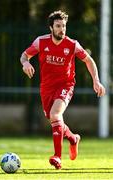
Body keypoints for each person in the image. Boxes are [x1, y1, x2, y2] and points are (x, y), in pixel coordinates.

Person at [20, 10, 106, 169]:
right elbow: (24, 55)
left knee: (55, 114)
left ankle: (57, 156)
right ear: (51, 28)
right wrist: (25, 63)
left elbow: (88, 60)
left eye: (64, 26)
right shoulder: (41, 42)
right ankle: (73, 138)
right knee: (54, 118)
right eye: (58, 26)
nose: (62, 29)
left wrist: (96, 81)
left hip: (65, 85)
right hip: (46, 87)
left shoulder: (72, 44)